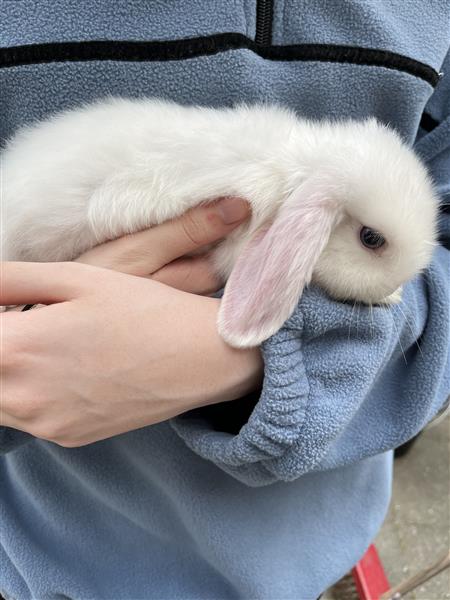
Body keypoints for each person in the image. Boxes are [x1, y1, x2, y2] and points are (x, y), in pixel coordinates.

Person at [1, 1, 449, 598]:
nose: (387, 289)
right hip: (49, 566)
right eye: (369, 243)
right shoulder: (276, 205)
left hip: (316, 554)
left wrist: (250, 359)